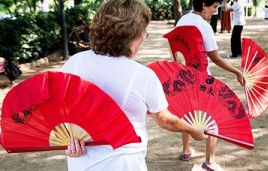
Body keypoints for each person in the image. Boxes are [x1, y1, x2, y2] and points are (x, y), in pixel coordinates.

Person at [60, 0, 207, 170]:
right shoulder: (142, 75)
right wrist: (192, 130)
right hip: (125, 163)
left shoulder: (76, 62)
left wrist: (69, 135)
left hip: (82, 162)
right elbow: (165, 120)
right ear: (133, 35)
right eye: (144, 32)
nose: (144, 38)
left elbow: (58, 104)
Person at [175, 0, 245, 170]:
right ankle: (210, 161)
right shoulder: (204, 27)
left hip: (183, 75)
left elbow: (176, 50)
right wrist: (236, 71)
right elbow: (215, 58)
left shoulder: (182, 21)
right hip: (201, 78)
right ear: (204, 5)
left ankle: (186, 150)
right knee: (214, 116)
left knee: (187, 113)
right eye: (214, 7)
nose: (215, 11)